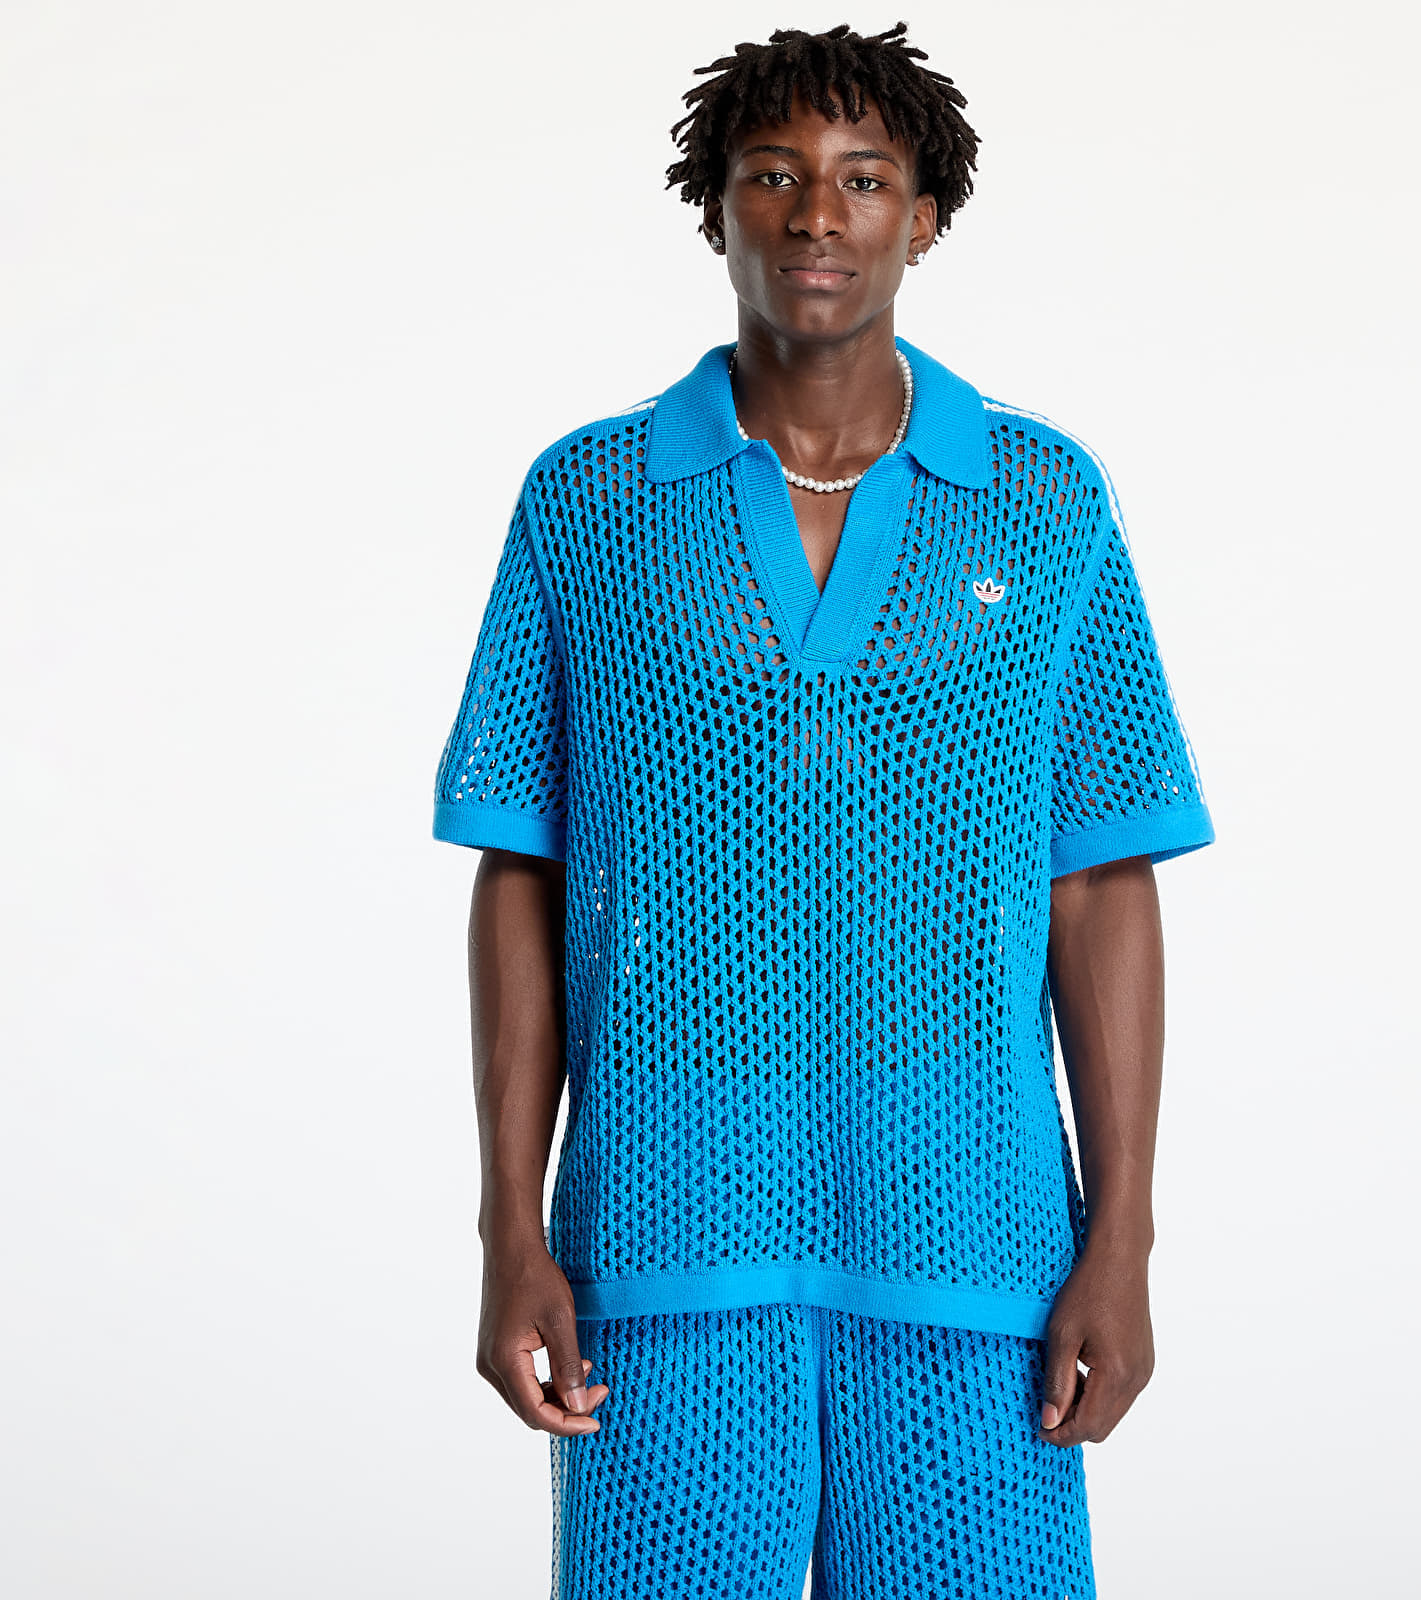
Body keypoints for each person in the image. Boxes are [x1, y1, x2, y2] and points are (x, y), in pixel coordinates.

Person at [430, 20, 1214, 1599]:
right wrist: (512, 1227)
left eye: (863, 179)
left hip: (975, 1232)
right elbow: (525, 863)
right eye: (772, 174)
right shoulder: (589, 500)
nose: (815, 214)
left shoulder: (1042, 499)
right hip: (662, 1226)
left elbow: (1097, 877)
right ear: (714, 206)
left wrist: (1120, 1236)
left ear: (925, 216)